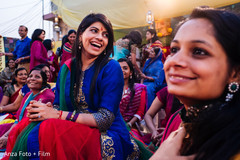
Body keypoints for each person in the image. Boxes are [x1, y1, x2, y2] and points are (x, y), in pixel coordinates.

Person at [3, 13, 139, 160]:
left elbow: (104, 119)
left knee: (48, 130)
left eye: (105, 35)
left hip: (105, 133)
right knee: (26, 126)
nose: (100, 37)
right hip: (72, 126)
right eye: (94, 30)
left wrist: (58, 114)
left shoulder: (111, 67)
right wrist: (46, 109)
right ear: (80, 35)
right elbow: (57, 105)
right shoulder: (67, 68)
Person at [150, 6, 240, 160]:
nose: (175, 61)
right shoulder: (182, 125)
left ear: (234, 73)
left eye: (198, 51)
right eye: (174, 50)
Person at [0, 67, 54, 149]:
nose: (32, 79)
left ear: (44, 81)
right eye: (30, 76)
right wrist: (6, 135)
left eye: (37, 77)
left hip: (32, 133)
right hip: (19, 128)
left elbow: (32, 125)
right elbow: (18, 120)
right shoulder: (28, 95)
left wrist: (10, 138)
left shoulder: (46, 96)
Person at [118, 58, 147, 130]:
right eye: (118, 68)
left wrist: (129, 124)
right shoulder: (109, 88)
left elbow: (140, 111)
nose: (122, 70)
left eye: (125, 68)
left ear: (131, 72)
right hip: (112, 124)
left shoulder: (139, 89)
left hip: (131, 126)